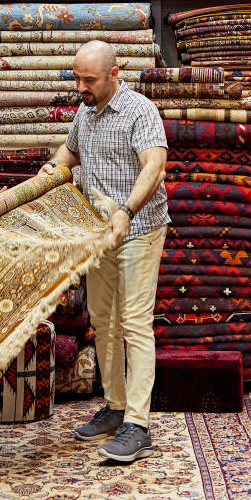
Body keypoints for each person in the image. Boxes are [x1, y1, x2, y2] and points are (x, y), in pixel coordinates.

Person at [42, 40, 169, 463]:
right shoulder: (85, 111)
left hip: (138, 227)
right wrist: (52, 169)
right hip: (99, 232)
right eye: (77, 78)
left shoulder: (140, 111)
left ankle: (139, 424)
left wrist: (128, 211)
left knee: (134, 321)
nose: (82, 86)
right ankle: (115, 407)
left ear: (115, 73)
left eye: (90, 79)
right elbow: (72, 150)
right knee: (103, 320)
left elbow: (154, 165)